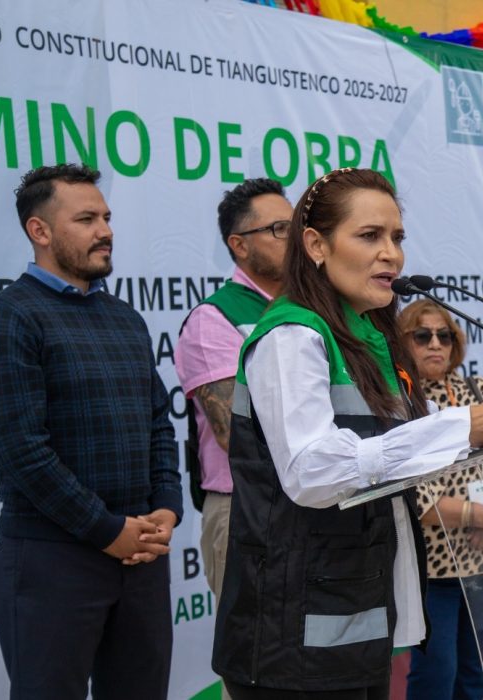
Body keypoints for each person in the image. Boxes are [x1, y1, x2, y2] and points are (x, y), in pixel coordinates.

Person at [211, 168, 483, 700]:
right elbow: (312, 472)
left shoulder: (366, 334)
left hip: (352, 611)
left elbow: (395, 439)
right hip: (292, 633)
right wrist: (460, 426)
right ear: (316, 244)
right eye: (370, 236)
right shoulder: (292, 337)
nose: (392, 254)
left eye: (397, 237)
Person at [0, 164, 182, 699]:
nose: (105, 230)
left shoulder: (124, 318)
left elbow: (158, 420)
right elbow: (22, 452)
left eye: (106, 217)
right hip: (50, 562)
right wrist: (107, 531)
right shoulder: (9, 318)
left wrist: (166, 505)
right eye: (86, 219)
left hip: (139, 557)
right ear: (39, 232)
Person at [398, 299, 483, 700]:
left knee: (475, 671)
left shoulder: (479, 391)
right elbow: (415, 493)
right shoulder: (400, 402)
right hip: (432, 567)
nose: (434, 343)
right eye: (422, 336)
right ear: (403, 343)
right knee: (436, 674)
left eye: (444, 335)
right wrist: (481, 515)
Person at [176, 178, 291, 603]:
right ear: (240, 245)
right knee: (259, 659)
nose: (295, 239)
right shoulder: (216, 319)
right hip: (249, 510)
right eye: (279, 229)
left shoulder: (319, 309)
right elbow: (235, 433)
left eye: (298, 226)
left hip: (319, 504)